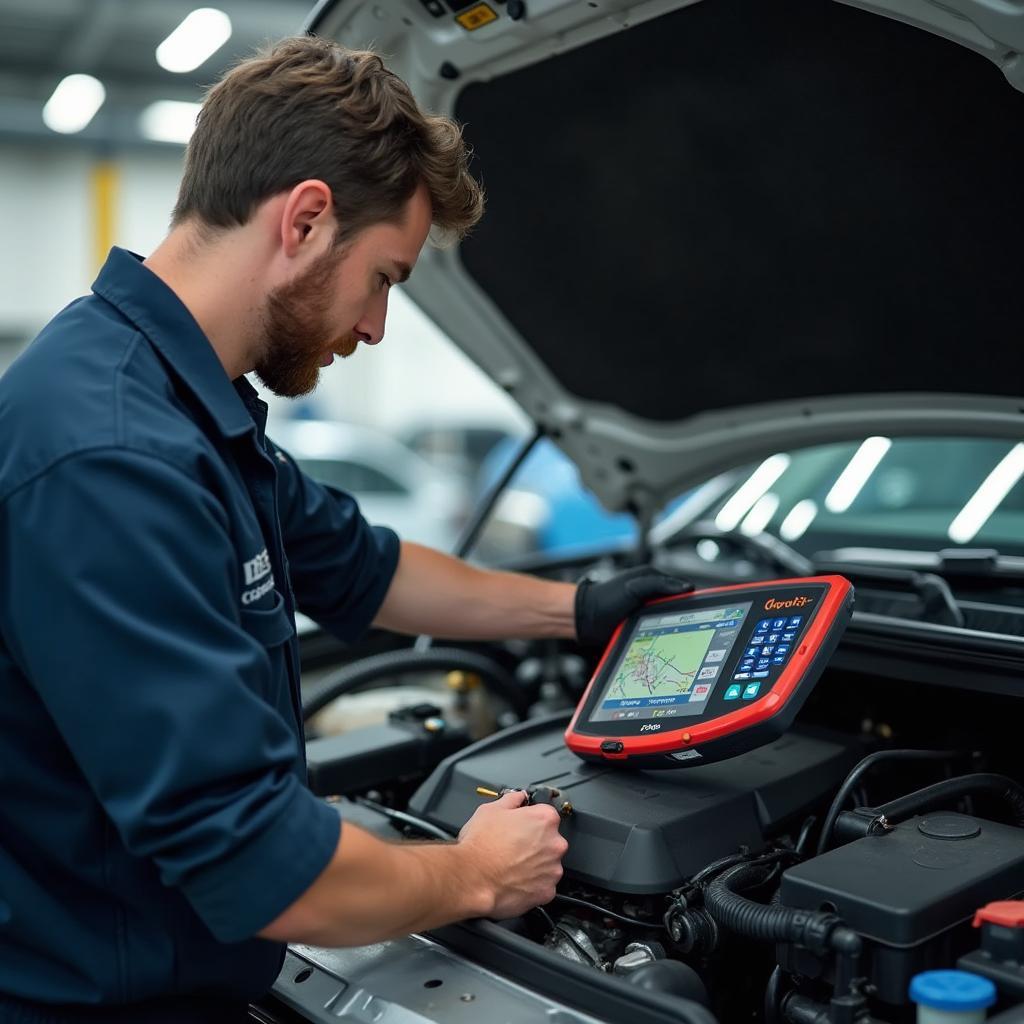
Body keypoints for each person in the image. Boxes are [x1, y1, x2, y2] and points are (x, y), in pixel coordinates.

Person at [0, 36, 688, 1023]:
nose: (372, 327)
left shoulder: (182, 405)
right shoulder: (112, 456)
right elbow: (261, 867)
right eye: (385, 279)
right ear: (307, 219)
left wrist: (578, 610)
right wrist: (473, 876)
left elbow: (366, 569)